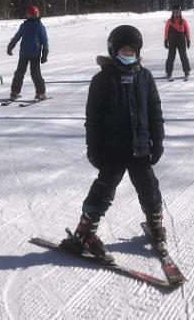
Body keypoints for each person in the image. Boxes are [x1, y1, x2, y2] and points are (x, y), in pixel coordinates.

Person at [61, 25, 166, 263]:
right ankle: (84, 231)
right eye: (124, 51)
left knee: (149, 187)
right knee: (103, 190)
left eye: (132, 51)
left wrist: (157, 141)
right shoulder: (102, 79)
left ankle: (155, 223)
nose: (128, 55)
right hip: (112, 149)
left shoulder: (145, 77)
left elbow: (155, 111)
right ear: (113, 50)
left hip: (140, 148)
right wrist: (93, 148)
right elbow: (93, 118)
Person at [6, 5, 49, 101]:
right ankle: (15, 92)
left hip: (35, 55)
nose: (26, 15)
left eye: (28, 14)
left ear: (32, 15)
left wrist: (44, 53)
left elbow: (45, 41)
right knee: (19, 73)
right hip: (24, 54)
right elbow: (17, 37)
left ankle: (41, 93)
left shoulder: (40, 27)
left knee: (35, 74)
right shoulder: (24, 26)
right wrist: (11, 46)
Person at [164, 4, 191, 81]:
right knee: (170, 57)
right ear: (172, 12)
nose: (176, 13)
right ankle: (168, 73)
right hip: (172, 41)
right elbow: (166, 31)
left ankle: (186, 72)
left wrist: (188, 40)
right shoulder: (169, 21)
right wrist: (166, 40)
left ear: (180, 12)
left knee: (183, 57)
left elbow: (187, 31)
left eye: (178, 11)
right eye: (175, 11)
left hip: (181, 41)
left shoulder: (183, 21)